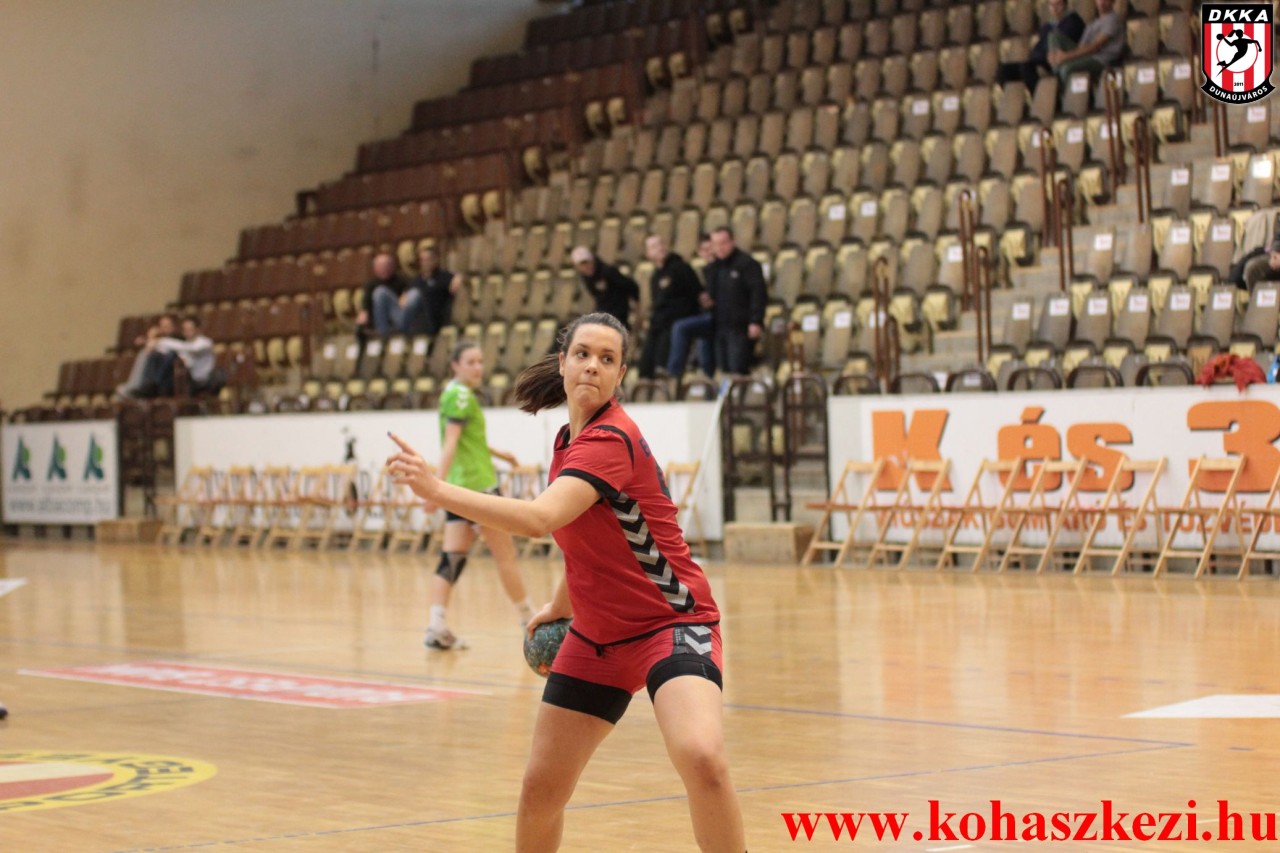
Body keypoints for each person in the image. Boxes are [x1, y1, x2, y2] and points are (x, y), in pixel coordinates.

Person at [388, 313, 745, 852]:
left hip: (671, 625)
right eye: (582, 354)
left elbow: (540, 520)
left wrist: (436, 490)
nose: (592, 366)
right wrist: (561, 603)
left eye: (607, 359)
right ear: (563, 363)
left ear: (620, 375)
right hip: (597, 636)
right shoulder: (566, 441)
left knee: (702, 758)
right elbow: (586, 539)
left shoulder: (612, 438)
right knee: (541, 790)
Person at [423, 340, 535, 650]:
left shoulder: (451, 394)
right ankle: (529, 622)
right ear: (455, 365)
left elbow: (466, 440)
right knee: (505, 556)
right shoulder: (460, 395)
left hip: (460, 488)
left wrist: (499, 454)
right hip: (480, 487)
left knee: (452, 557)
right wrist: (433, 487)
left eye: (480, 361)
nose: (478, 368)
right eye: (470, 362)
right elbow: (450, 443)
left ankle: (436, 625)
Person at [637, 235, 704, 380]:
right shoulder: (655, 276)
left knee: (661, 360)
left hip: (676, 321)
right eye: (654, 246)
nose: (660, 248)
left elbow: (697, 295)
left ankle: (666, 377)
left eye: (661, 244)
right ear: (648, 254)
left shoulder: (681, 267)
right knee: (645, 364)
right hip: (659, 323)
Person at [704, 227, 766, 377]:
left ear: (732, 242)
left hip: (741, 326)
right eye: (716, 244)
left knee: (738, 367)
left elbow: (758, 293)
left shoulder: (747, 264)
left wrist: (756, 321)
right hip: (720, 325)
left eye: (723, 243)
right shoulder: (713, 268)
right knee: (723, 368)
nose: (720, 248)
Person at [995, 0, 1085, 90]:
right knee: (1004, 71)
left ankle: (1041, 96)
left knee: (1027, 69)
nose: (1055, 9)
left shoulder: (1073, 21)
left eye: (1058, 5)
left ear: (1065, 5)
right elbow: (1038, 48)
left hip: (1057, 61)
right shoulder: (1047, 26)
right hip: (1039, 61)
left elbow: (1062, 45)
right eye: (1052, 5)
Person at [666, 235, 719, 379]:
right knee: (703, 348)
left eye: (710, 248)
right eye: (704, 250)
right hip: (707, 314)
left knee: (680, 327)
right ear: (699, 253)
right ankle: (707, 380)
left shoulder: (720, 268)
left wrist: (711, 300)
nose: (708, 252)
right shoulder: (705, 270)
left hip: (719, 316)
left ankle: (674, 372)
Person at [1048, 0, 1125, 84]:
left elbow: (1095, 47)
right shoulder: (1093, 23)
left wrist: (1066, 56)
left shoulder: (1112, 20)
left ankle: (1066, 90)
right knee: (1054, 36)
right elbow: (1081, 47)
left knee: (1066, 68)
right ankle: (1056, 66)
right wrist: (1056, 55)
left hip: (1101, 60)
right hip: (1088, 55)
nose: (1102, 2)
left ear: (1112, 2)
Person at [571, 246, 640, 330]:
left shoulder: (608, 272)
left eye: (587, 263)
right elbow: (597, 297)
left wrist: (637, 306)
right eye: (582, 265)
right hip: (603, 313)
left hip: (618, 314)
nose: (585, 267)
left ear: (592, 260)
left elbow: (631, 285)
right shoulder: (586, 278)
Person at [156, 316, 223, 396]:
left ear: (197, 329)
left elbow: (192, 349)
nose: (187, 332)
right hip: (191, 380)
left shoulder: (205, 342)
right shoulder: (185, 344)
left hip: (206, 380)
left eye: (190, 329)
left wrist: (162, 341)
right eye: (185, 330)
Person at [116, 315, 179, 399]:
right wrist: (150, 339)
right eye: (162, 326)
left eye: (168, 326)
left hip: (163, 380)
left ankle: (137, 386)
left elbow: (169, 348)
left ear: (174, 326)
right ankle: (134, 385)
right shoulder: (160, 340)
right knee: (144, 353)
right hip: (154, 374)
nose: (165, 328)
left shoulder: (177, 339)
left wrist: (150, 339)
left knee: (148, 354)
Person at [355, 252, 418, 336]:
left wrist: (405, 295)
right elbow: (366, 303)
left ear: (393, 267)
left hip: (400, 315)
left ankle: (403, 330)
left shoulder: (402, 279)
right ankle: (383, 333)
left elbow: (412, 290)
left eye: (387, 265)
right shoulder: (371, 284)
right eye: (381, 266)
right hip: (381, 320)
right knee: (380, 292)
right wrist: (364, 313)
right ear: (375, 268)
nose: (384, 269)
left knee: (414, 294)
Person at [413, 245, 462, 335]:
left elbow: (460, 279)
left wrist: (459, 277)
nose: (425, 263)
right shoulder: (417, 280)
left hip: (438, 319)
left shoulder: (444, 277)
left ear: (436, 260)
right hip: (418, 321)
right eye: (423, 260)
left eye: (428, 259)